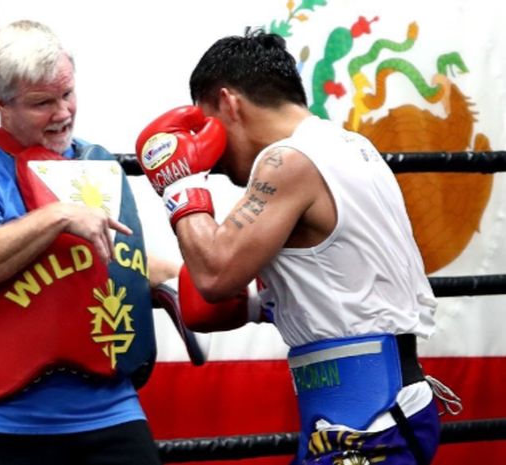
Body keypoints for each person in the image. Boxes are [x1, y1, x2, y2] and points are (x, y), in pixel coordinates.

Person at [135, 31, 460, 464]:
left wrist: (179, 182)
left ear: (230, 104)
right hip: (364, 414)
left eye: (206, 123)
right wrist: (260, 302)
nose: (208, 156)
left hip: (368, 422)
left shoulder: (288, 161)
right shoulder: (351, 147)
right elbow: (348, 276)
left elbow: (213, 275)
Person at [0, 20, 177, 465]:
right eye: (42, 103)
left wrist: (206, 282)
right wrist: (57, 215)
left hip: (110, 409)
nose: (62, 113)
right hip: (4, 419)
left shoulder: (96, 165)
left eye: (66, 94)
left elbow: (123, 260)